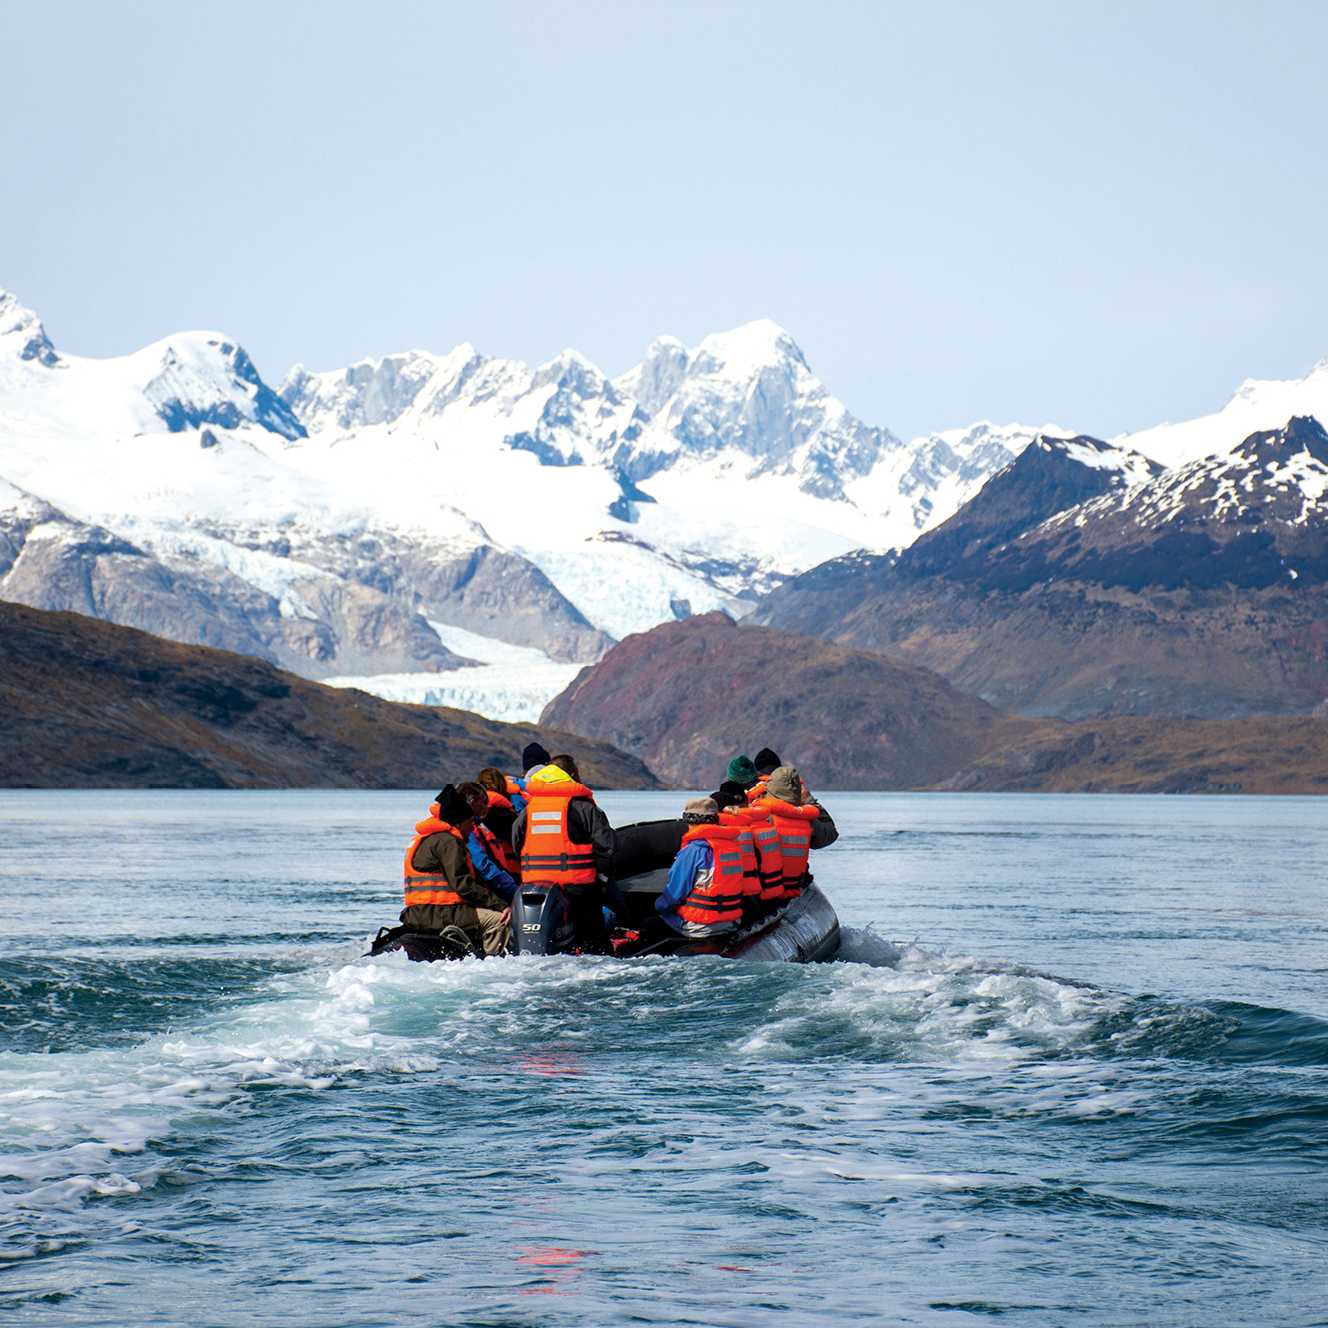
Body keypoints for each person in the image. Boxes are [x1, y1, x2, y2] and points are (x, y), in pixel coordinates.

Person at [512, 756, 616, 952]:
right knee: (594, 941)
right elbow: (607, 847)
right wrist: (602, 879)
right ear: (573, 775)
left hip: (535, 885)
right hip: (578, 888)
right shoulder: (585, 808)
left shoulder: (530, 809)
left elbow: (516, 843)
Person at [401, 785, 511, 956]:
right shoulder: (450, 842)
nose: (472, 827)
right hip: (439, 913)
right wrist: (501, 905)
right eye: (470, 822)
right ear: (460, 822)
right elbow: (463, 885)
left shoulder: (428, 839)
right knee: (499, 921)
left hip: (417, 913)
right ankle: (492, 964)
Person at [654, 797, 745, 939]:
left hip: (699, 925)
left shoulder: (693, 850)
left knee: (649, 922)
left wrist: (657, 906)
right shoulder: (733, 847)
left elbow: (675, 893)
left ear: (690, 821)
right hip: (731, 922)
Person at [750, 765, 835, 899]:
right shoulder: (807, 819)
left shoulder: (757, 815)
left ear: (770, 787)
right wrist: (811, 801)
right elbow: (830, 834)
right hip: (791, 889)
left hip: (762, 892)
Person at [460, 781, 518, 903]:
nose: (486, 807)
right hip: (473, 896)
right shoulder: (466, 831)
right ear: (473, 802)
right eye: (483, 802)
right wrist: (514, 891)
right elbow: (483, 865)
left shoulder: (475, 827)